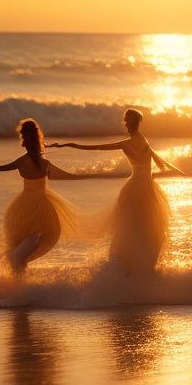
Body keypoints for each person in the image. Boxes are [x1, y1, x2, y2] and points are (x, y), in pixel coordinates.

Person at [48, 108, 178, 277]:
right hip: (147, 187)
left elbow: (96, 148)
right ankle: (146, 265)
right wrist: (154, 173)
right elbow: (159, 164)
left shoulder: (125, 143)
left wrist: (71, 144)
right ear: (138, 124)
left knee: (129, 226)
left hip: (133, 188)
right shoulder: (145, 141)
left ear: (126, 124)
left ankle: (126, 263)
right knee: (149, 225)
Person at [0, 118, 91, 274]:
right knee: (40, 234)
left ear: (24, 138)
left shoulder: (23, 162)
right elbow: (67, 176)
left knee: (30, 236)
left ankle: (18, 268)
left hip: (25, 203)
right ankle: (18, 264)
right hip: (43, 202)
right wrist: (87, 176)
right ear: (37, 137)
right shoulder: (44, 164)